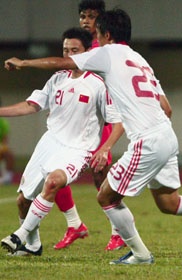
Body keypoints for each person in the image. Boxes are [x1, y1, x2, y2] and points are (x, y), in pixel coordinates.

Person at [2, 9, 182, 264]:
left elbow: (63, 63)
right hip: (166, 135)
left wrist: (24, 63)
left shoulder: (107, 53)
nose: (95, 40)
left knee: (106, 196)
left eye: (97, 34)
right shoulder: (140, 60)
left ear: (107, 34)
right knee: (169, 202)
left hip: (148, 141)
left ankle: (141, 254)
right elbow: (167, 107)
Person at [0, 27, 124, 257]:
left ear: (87, 52)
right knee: (22, 201)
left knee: (53, 182)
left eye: (74, 50)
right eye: (65, 50)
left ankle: (19, 234)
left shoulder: (98, 83)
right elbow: (31, 105)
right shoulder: (57, 79)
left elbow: (118, 122)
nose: (68, 55)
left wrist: (105, 148)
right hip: (49, 143)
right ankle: (33, 246)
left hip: (79, 149)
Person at [52, 0, 128, 252]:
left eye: (92, 16)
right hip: (75, 120)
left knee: (101, 179)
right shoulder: (78, 46)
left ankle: (119, 231)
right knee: (54, 171)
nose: (86, 20)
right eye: (83, 16)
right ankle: (74, 224)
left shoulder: (106, 47)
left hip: (101, 120)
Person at [0, 99, 15, 185]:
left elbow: (5, 140)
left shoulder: (3, 123)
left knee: (9, 155)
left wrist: (2, 147)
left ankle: (7, 177)